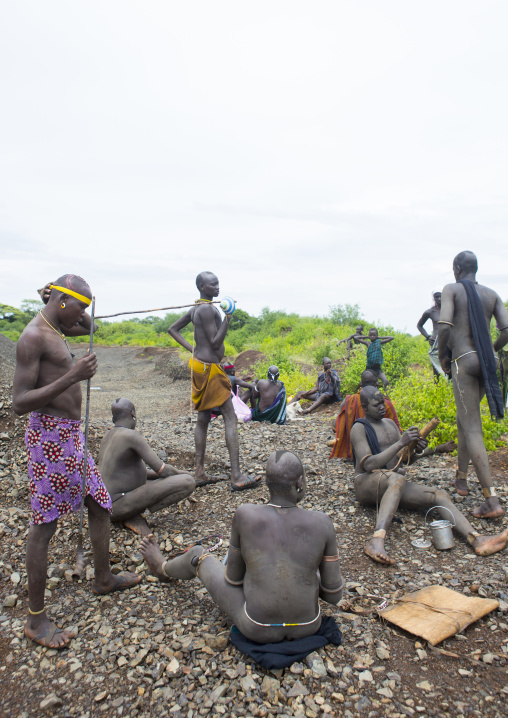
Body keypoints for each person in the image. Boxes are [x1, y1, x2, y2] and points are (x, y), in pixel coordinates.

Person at [12, 276, 141, 649]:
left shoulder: (58, 326)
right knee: (44, 526)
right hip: (49, 439)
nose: (85, 316)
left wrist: (75, 305)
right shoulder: (33, 337)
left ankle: (103, 578)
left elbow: (92, 325)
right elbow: (20, 402)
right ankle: (36, 621)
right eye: (80, 307)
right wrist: (74, 374)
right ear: (63, 302)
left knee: (99, 503)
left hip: (71, 437)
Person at [139, 451, 344, 668]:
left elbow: (234, 578)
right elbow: (333, 595)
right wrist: (305, 570)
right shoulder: (322, 523)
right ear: (300, 483)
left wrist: (259, 568)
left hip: (256, 627)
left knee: (198, 555)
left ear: (266, 482)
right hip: (308, 626)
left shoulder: (245, 514)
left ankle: (163, 568)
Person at [350, 386, 508, 565]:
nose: (382, 407)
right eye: (376, 404)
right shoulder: (359, 428)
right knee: (397, 479)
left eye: (383, 403)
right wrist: (401, 442)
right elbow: (369, 464)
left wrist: (414, 449)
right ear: (364, 405)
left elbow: (400, 460)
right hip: (366, 484)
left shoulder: (390, 424)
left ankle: (476, 539)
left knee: (438, 494)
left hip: (392, 483)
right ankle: (376, 541)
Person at [168, 272, 259, 491]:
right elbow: (216, 342)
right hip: (210, 370)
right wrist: (227, 319)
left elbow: (172, 329)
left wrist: (194, 351)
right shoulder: (207, 309)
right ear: (202, 286)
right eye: (213, 284)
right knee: (230, 417)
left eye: (218, 284)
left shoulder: (196, 308)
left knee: (203, 418)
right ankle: (236, 476)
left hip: (199, 367)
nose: (218, 287)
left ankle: (199, 472)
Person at [438, 251, 508, 518]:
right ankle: (462, 478)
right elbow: (507, 329)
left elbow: (444, 325)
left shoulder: (452, 289)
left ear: (456, 269)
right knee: (465, 419)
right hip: (490, 363)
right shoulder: (491, 294)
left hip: (465, 361)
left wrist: (444, 355)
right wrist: (490, 348)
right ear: (475, 269)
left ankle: (491, 499)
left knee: (473, 428)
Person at [98, 399, 195, 536]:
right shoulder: (131, 435)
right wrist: (184, 474)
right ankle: (133, 514)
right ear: (133, 414)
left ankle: (131, 514)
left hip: (104, 506)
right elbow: (162, 470)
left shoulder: (107, 436)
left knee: (160, 481)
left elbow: (141, 472)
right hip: (119, 505)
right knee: (187, 482)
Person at [417, 292, 445, 380]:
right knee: (436, 368)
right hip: (436, 342)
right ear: (434, 299)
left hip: (449, 341)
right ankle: (437, 389)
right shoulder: (430, 311)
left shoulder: (449, 309)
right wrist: (428, 337)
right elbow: (419, 325)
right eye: (437, 297)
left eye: (441, 296)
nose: (439, 299)